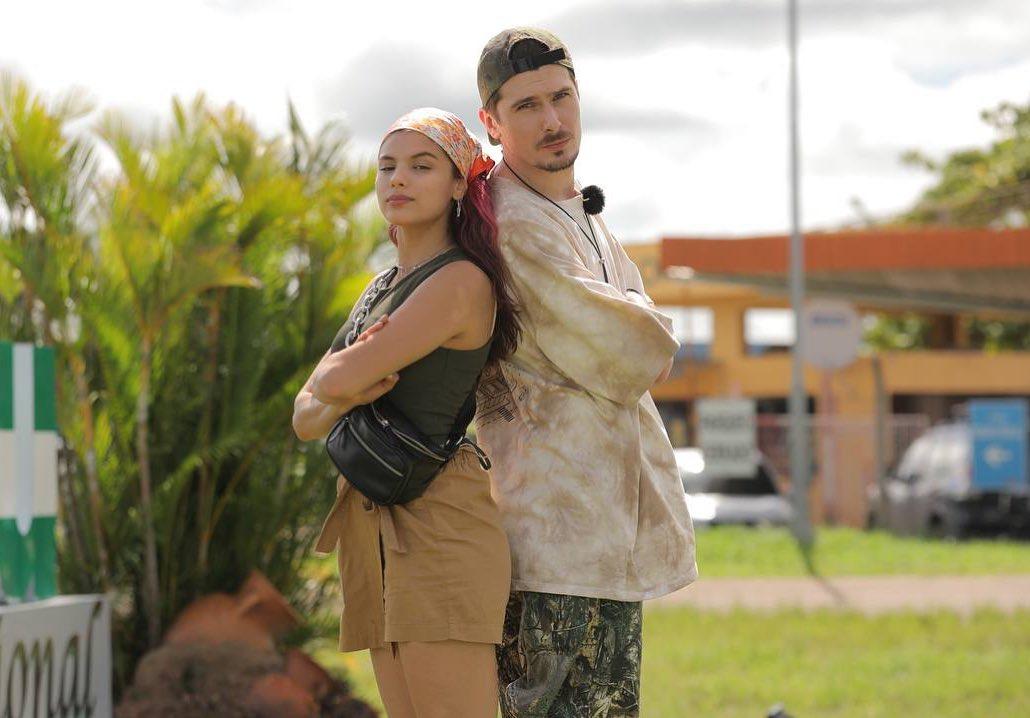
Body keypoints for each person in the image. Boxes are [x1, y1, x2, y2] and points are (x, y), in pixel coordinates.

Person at [473, 28, 698, 716]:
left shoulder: (580, 216)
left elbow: (640, 339)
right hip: (551, 546)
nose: (552, 119)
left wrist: (638, 319)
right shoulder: (514, 223)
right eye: (526, 105)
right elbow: (639, 353)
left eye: (561, 97)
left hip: (601, 543)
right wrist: (641, 316)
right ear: (491, 121)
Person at [292, 107, 520, 718]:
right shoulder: (381, 287)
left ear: (458, 184)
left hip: (440, 522)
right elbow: (304, 417)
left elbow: (329, 382)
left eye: (421, 166)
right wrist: (349, 386)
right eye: (386, 166)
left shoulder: (460, 281)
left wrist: (343, 384)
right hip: (372, 525)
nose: (397, 178)